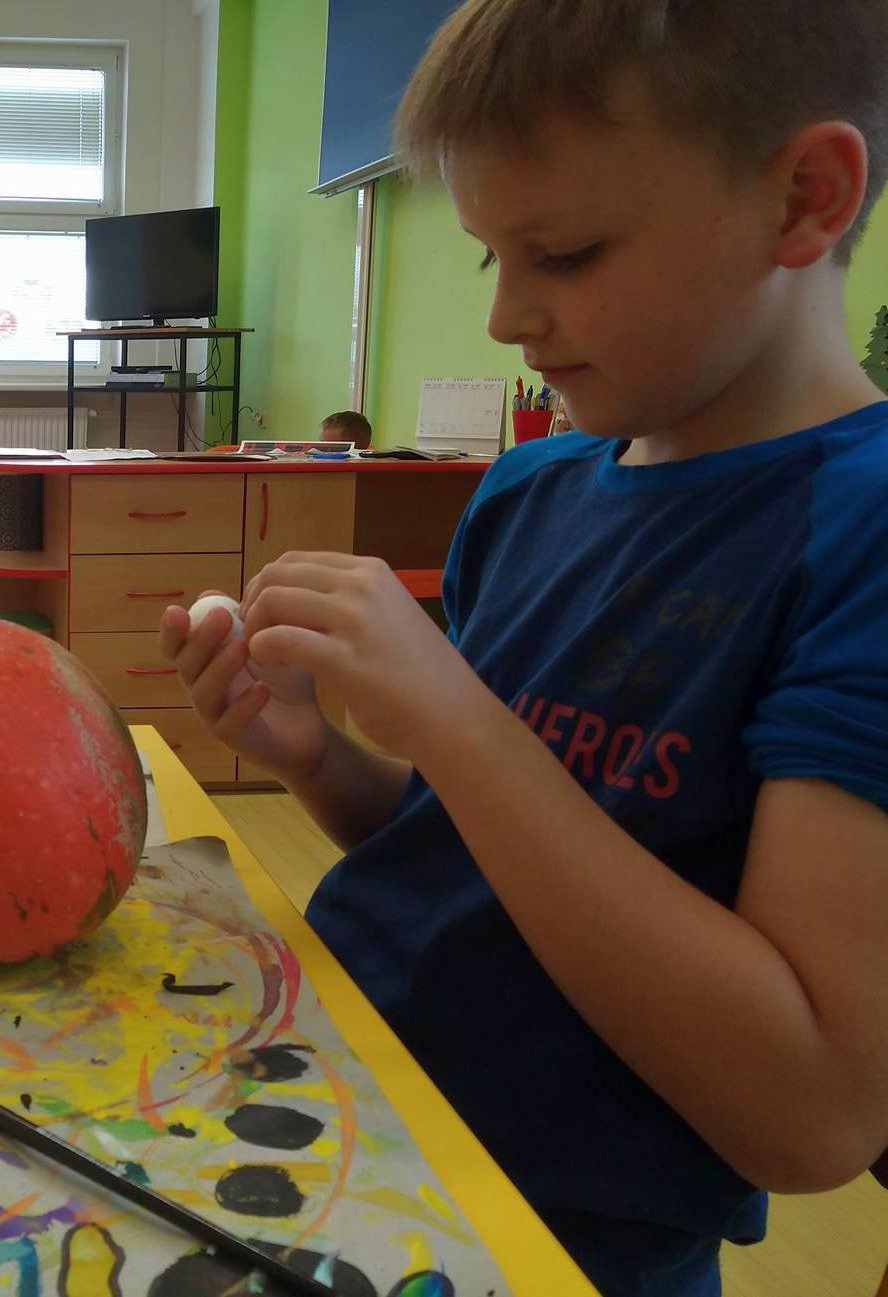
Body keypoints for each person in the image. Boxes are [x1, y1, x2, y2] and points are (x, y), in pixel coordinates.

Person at [159, 3, 888, 1294]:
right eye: (490, 256)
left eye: (563, 253)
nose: (504, 317)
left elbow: (810, 1115)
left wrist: (457, 720)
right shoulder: (526, 492)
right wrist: (320, 760)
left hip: (547, 1240)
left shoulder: (860, 530)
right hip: (332, 1119)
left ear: (803, 199)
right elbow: (472, 856)